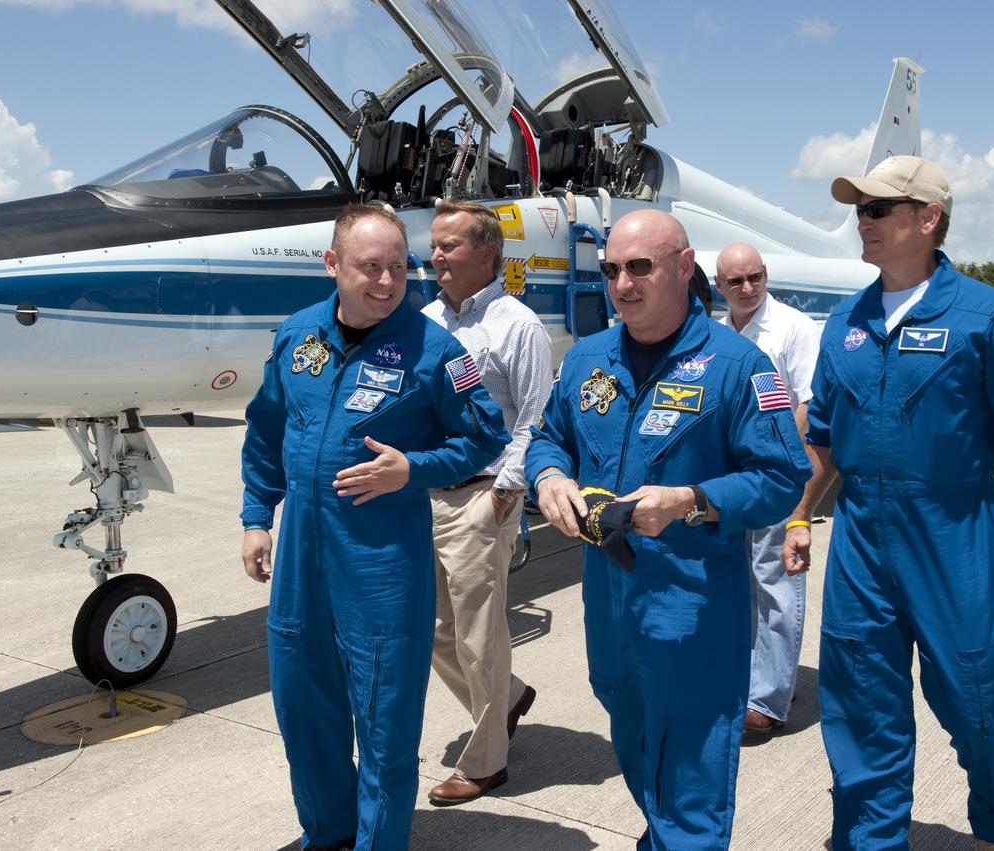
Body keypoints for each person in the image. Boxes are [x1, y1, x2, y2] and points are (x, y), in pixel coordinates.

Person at [789, 156, 994, 851]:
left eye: (880, 208)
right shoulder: (844, 324)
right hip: (861, 540)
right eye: (860, 208)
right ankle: (870, 838)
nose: (865, 220)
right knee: (859, 704)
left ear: (928, 218)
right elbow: (823, 437)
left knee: (982, 699)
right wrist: (798, 514)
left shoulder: (989, 315)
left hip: (954, 534)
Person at [526, 209, 812, 848]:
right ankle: (661, 834)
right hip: (607, 594)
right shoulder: (588, 358)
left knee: (693, 750)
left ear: (685, 267)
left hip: (694, 598)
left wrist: (691, 499)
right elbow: (549, 439)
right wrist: (549, 480)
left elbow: (781, 477)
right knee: (627, 718)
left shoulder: (739, 365)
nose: (622, 283)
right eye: (611, 270)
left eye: (639, 267)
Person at [239, 204, 509, 851]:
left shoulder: (434, 348)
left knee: (384, 724)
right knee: (305, 710)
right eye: (370, 267)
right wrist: (256, 516)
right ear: (333, 264)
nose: (388, 281)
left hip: (382, 565)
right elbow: (266, 429)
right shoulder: (297, 336)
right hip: (302, 561)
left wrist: (410, 469)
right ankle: (327, 831)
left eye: (397, 266)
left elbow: (485, 436)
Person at [421, 200, 553, 805]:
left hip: (481, 497)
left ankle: (487, 762)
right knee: (434, 633)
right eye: (435, 244)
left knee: (478, 636)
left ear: (488, 254)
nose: (436, 255)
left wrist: (508, 491)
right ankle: (512, 695)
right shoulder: (422, 322)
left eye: (450, 245)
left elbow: (533, 418)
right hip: (424, 495)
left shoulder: (515, 325)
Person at [713, 242, 821, 738]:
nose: (748, 288)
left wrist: (786, 467)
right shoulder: (718, 331)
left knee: (775, 580)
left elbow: (808, 405)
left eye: (755, 277)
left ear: (766, 275)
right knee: (739, 583)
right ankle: (750, 679)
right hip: (731, 481)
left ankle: (769, 699)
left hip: (774, 475)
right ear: (720, 286)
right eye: (736, 281)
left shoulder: (792, 328)